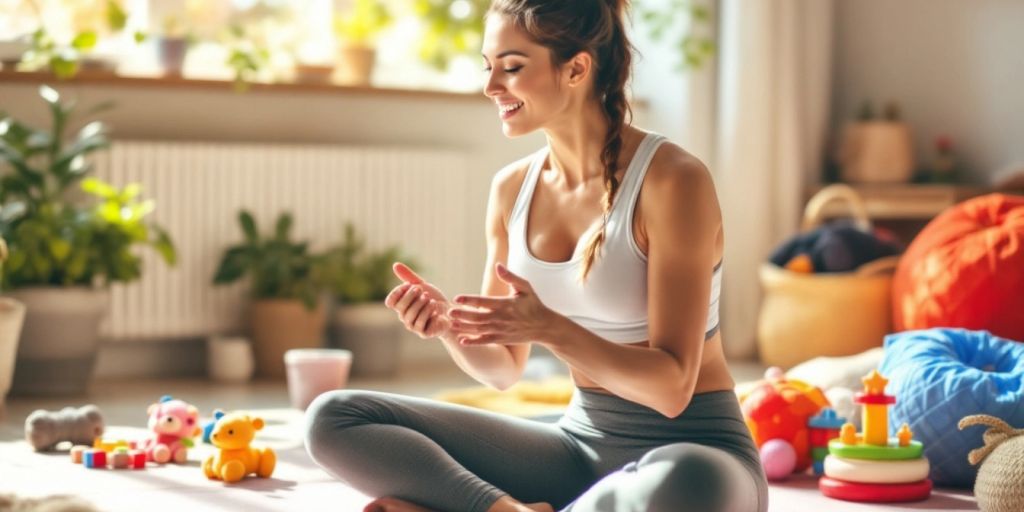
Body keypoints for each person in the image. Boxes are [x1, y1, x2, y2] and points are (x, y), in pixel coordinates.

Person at [304, 1, 768, 511]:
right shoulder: (511, 190)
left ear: (576, 68)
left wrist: (551, 328)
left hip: (695, 450)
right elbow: (503, 370)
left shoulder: (673, 180)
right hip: (576, 448)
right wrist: (448, 328)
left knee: (687, 482)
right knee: (334, 416)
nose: (491, 87)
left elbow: (673, 389)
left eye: (512, 67)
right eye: (488, 67)